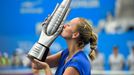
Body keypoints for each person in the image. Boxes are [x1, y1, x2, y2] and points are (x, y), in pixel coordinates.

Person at [32, 17, 97, 75]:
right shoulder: (66, 53)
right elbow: (36, 64)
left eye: (68, 25)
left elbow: (40, 64)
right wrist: (46, 35)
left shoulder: (76, 63)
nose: (64, 26)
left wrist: (46, 68)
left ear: (75, 34)